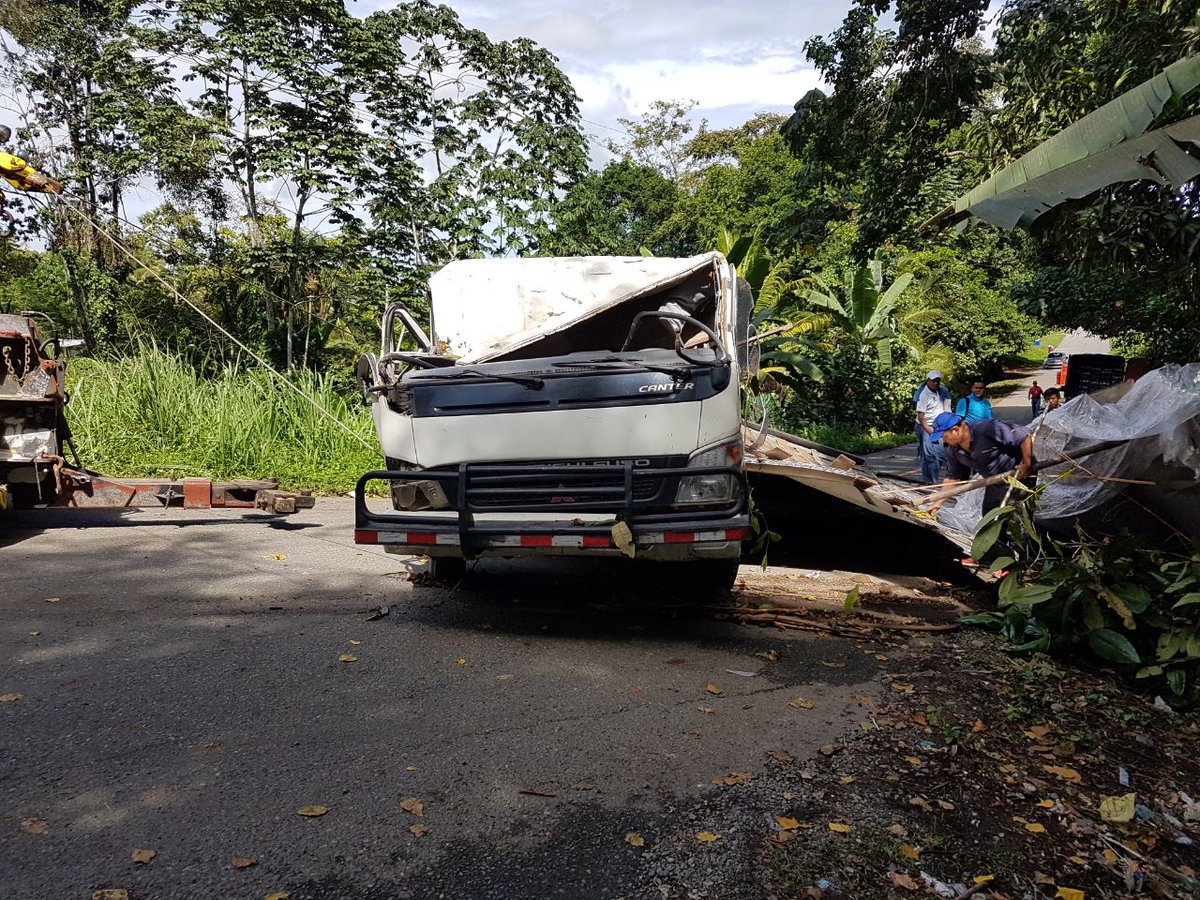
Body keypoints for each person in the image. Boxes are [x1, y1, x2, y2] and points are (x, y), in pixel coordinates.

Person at [922, 412, 1035, 515]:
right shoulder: (953, 451)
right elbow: (953, 478)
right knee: (988, 519)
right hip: (993, 482)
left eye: (943, 437)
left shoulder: (988, 428)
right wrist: (938, 502)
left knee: (1016, 518)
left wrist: (1027, 463)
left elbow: (1024, 436)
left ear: (956, 430)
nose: (943, 441)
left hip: (1017, 478)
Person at [915, 370, 951, 484]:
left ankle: (932, 480)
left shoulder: (943, 392)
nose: (935, 383)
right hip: (926, 426)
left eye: (938, 381)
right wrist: (930, 432)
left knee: (939, 454)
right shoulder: (924, 394)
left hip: (939, 426)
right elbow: (921, 417)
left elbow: (947, 411)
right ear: (927, 381)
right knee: (929, 456)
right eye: (933, 381)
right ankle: (930, 482)